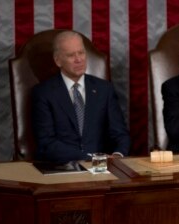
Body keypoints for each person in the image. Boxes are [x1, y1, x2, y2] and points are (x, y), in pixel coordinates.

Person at [32, 30, 130, 163]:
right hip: (62, 168)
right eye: (71, 55)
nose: (79, 59)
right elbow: (47, 143)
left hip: (101, 169)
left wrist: (118, 155)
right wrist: (89, 158)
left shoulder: (104, 89)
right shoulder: (44, 93)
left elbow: (120, 134)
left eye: (81, 53)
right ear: (58, 61)